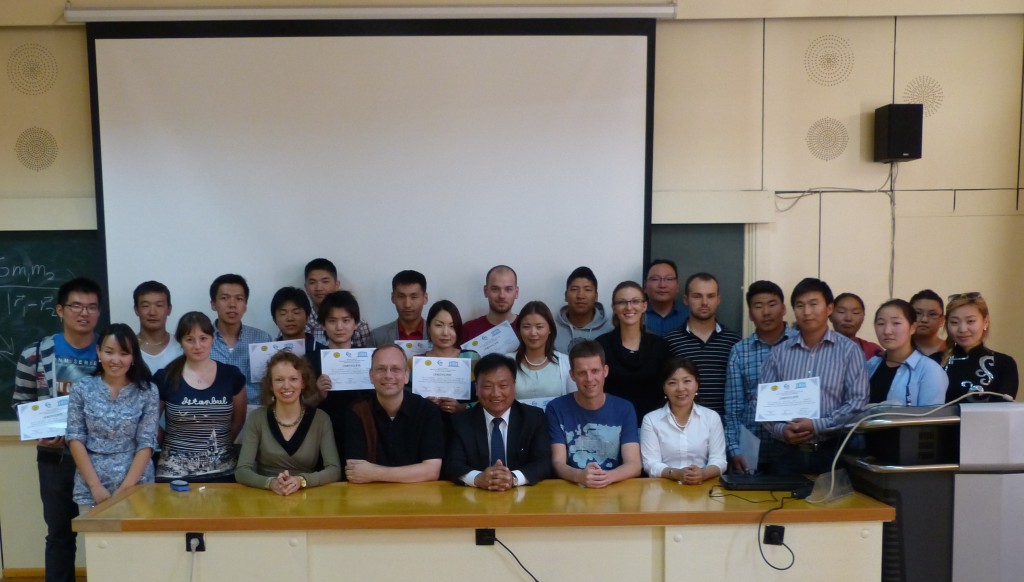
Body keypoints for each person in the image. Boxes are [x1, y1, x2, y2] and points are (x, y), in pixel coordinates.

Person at [12, 277, 102, 582]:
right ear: (60, 310)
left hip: (103, 458)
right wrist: (39, 431)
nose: (84, 313)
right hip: (55, 457)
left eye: (92, 307)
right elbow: (21, 403)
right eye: (76, 305)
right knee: (60, 534)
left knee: (108, 532)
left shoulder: (110, 353)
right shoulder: (35, 354)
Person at [760, 278, 869, 475]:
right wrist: (781, 431)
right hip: (786, 453)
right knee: (782, 505)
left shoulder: (849, 351)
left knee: (834, 505)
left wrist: (817, 425)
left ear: (829, 309)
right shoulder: (779, 353)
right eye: (800, 306)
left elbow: (857, 403)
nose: (807, 312)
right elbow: (763, 404)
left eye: (813, 304)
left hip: (833, 451)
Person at [66, 324, 159, 512]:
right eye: (109, 352)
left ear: (133, 357)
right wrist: (95, 486)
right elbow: (75, 437)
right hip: (91, 488)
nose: (115, 360)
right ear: (99, 352)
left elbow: (147, 443)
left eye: (124, 353)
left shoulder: (148, 391)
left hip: (136, 487)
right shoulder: (82, 388)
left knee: (137, 542)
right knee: (93, 542)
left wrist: (125, 489)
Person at [154, 312, 247, 482]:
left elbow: (239, 420)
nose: (197, 345)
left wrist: (221, 447)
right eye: (190, 339)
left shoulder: (231, 375)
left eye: (203, 338)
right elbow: (151, 422)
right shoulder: (164, 377)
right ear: (180, 342)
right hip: (174, 473)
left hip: (223, 472)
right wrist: (171, 449)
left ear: (213, 339)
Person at [234, 351, 341, 493]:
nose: (286, 386)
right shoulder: (257, 418)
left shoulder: (321, 419)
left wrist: (301, 481)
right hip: (265, 495)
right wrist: (270, 483)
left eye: (293, 379)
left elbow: (334, 470)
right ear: (270, 385)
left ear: (303, 382)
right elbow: (242, 471)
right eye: (279, 380)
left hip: (306, 495)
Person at [443, 354, 551, 489]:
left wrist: (513, 478)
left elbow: (543, 462)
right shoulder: (461, 422)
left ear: (514, 386)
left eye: (503, 385)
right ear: (477, 388)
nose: (496, 393)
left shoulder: (533, 417)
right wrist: (477, 478)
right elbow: (452, 464)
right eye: (488, 386)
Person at [546, 341, 641, 488]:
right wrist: (580, 476)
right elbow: (558, 463)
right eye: (582, 373)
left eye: (595, 371)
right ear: (572, 375)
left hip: (614, 486)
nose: (589, 379)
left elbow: (634, 464)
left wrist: (606, 477)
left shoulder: (624, 408)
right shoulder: (556, 408)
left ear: (605, 371)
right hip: (572, 487)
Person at [724, 280, 796, 474]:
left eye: (772, 304)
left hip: (796, 448)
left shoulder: (801, 344)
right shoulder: (740, 351)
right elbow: (733, 408)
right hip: (752, 448)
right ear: (750, 314)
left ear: (783, 309)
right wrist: (734, 448)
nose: (766, 312)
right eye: (758, 306)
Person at [344, 345, 444, 483]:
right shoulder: (357, 411)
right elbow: (355, 472)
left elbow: (432, 471)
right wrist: (414, 472)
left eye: (395, 369)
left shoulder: (428, 411)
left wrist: (374, 473)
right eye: (381, 369)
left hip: (417, 497)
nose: (388, 375)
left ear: (406, 375)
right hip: (370, 497)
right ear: (371, 375)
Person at [664, 272, 741, 417]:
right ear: (686, 299)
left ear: (718, 299)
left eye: (710, 296)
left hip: (723, 427)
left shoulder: (734, 342)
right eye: (697, 296)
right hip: (681, 427)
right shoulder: (669, 341)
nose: (704, 302)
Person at [640, 357, 726, 484]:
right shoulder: (651, 420)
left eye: (687, 381)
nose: (680, 388)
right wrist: (676, 474)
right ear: (664, 388)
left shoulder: (711, 417)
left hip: (703, 486)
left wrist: (703, 474)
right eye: (672, 383)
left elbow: (719, 460)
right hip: (664, 487)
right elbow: (650, 463)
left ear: (697, 384)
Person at [596, 281, 670, 426]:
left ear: (644, 306)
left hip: (654, 428)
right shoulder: (601, 346)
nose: (629, 307)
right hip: (610, 426)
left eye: (635, 301)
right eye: (622, 302)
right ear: (614, 307)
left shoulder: (661, 347)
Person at [311, 290, 371, 454]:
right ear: (323, 324)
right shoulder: (310, 360)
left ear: (356, 323)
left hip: (362, 432)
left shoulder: (368, 357)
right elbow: (299, 406)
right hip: (321, 434)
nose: (339, 327)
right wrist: (318, 395)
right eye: (332, 321)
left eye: (346, 320)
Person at [866, 299, 947, 406]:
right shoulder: (871, 365)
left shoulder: (929, 370)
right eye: (881, 323)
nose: (887, 331)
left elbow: (930, 419)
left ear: (912, 328)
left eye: (896, 323)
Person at [208, 274, 272, 405]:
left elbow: (271, 381)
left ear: (245, 305)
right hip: (213, 412)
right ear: (213, 304)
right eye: (224, 298)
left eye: (239, 299)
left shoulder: (262, 339)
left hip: (254, 413)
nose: (232, 304)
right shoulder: (202, 340)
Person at [941, 292, 1019, 401]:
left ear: (985, 322)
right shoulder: (933, 362)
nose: (962, 329)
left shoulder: (1004, 364)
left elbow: (1002, 411)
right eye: (954, 322)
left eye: (970, 321)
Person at [416, 300, 480, 415]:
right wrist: (424, 404)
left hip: (466, 427)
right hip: (428, 427)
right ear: (429, 327)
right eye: (439, 325)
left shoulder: (472, 357)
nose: (445, 333)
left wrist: (463, 407)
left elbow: (485, 398)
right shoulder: (416, 363)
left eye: (452, 326)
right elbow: (406, 401)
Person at [510, 301, 575, 405]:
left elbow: (573, 402)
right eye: (526, 327)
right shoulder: (506, 362)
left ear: (550, 329)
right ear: (519, 330)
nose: (533, 333)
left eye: (539, 327)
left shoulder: (566, 363)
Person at [303, 258, 373, 347]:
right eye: (312, 282)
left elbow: (367, 356)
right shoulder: (300, 325)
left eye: (325, 281)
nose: (319, 288)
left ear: (337, 284)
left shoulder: (360, 326)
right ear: (306, 287)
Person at [553, 266, 614, 354]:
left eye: (587, 290)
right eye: (574, 289)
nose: (580, 296)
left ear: (596, 296)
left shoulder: (610, 330)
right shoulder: (552, 329)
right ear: (566, 296)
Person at [271, 286, 326, 375]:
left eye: (296, 312)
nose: (290, 318)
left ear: (307, 317)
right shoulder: (269, 353)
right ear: (274, 319)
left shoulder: (324, 353)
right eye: (283, 313)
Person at [132, 281, 182, 373]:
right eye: (145, 306)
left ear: (169, 309)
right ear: (136, 310)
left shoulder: (181, 346)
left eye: (159, 305)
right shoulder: (128, 348)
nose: (152, 312)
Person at [371, 270, 429, 346]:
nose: (407, 304)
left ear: (425, 298)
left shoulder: (438, 335)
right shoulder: (378, 336)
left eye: (414, 297)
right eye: (401, 297)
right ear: (393, 297)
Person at [462, 265, 520, 341]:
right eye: (495, 289)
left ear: (516, 292)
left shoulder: (528, 329)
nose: (502, 296)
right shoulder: (468, 330)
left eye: (508, 289)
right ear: (486, 291)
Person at [642, 259, 690, 337]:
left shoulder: (690, 316)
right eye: (655, 279)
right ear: (645, 286)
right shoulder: (636, 315)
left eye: (669, 279)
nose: (662, 285)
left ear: (677, 286)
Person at [830, 292, 883, 360]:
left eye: (856, 313)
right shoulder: (817, 347)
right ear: (830, 314)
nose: (848, 318)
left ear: (863, 317)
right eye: (841, 312)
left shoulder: (874, 351)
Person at [910, 289, 946, 360]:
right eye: (918, 313)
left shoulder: (951, 351)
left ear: (942, 320)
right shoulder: (899, 351)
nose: (924, 319)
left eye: (932, 314)